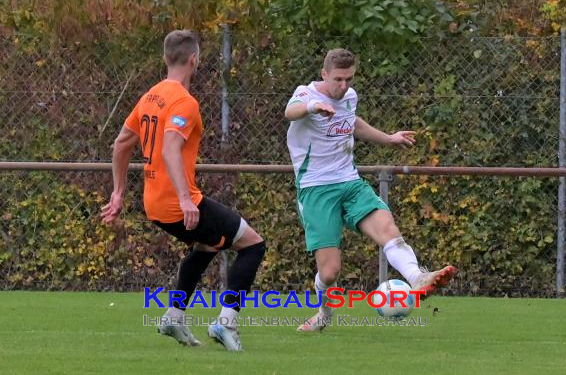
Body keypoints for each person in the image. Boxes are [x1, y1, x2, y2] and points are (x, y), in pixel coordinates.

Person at [101, 29, 265, 351]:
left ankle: (174, 317)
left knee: (208, 247)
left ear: (165, 58)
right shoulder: (184, 102)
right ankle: (225, 323)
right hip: (178, 203)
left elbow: (121, 144)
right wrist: (187, 199)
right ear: (195, 60)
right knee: (253, 245)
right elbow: (170, 150)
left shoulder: (150, 96)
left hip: (154, 203)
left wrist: (118, 192)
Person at [284, 48, 456, 332]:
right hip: (316, 189)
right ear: (324, 74)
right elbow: (290, 112)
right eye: (338, 79)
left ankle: (417, 278)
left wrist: (389, 139)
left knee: (387, 228)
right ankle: (324, 314)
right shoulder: (306, 94)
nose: (343, 86)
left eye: (349, 79)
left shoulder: (349, 98)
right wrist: (313, 107)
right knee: (330, 272)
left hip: (350, 182)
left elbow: (352, 124)